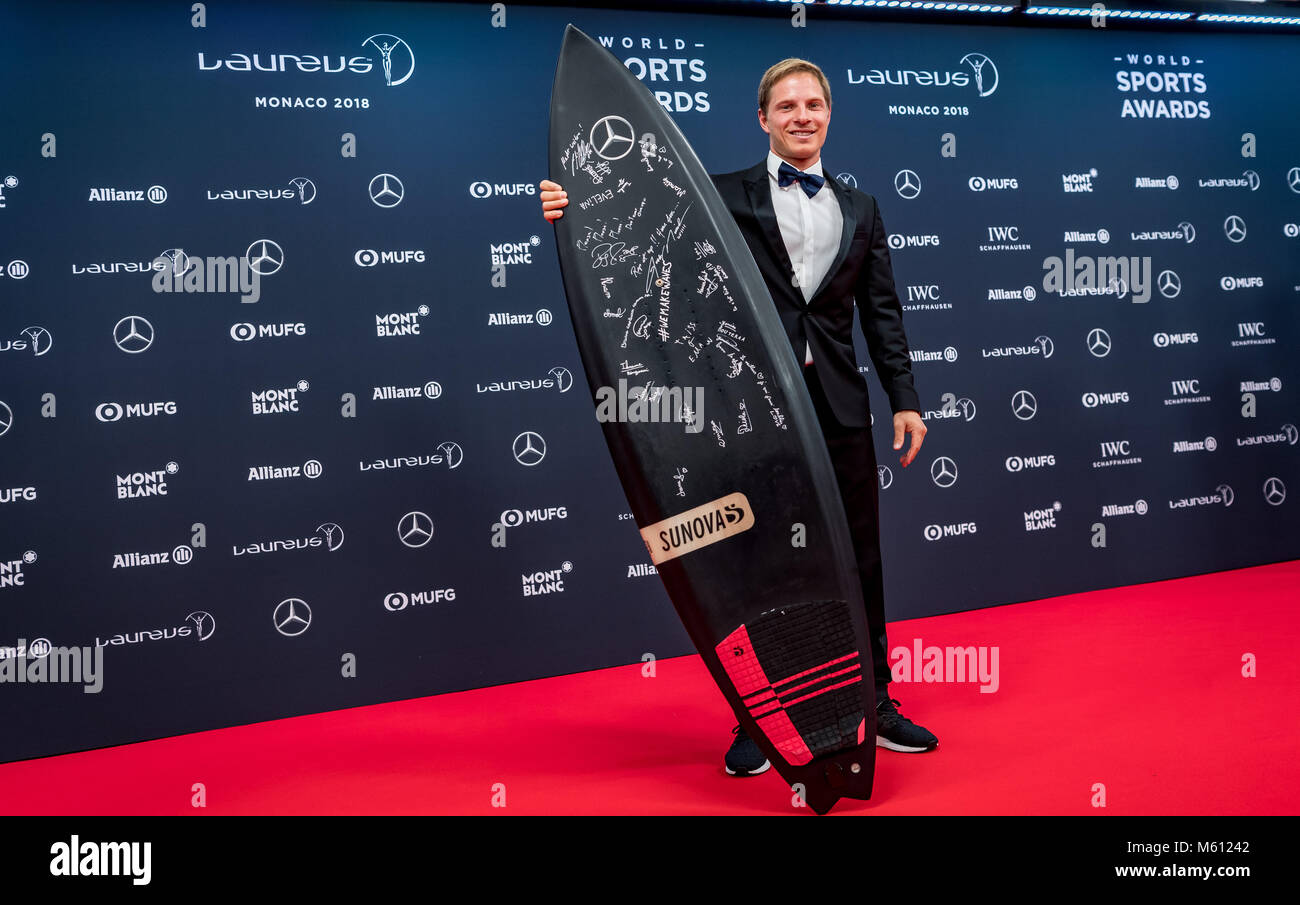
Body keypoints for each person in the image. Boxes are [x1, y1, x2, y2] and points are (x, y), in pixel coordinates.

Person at [541, 58, 937, 776]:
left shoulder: (864, 208)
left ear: (829, 114)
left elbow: (882, 315)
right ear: (763, 119)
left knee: (860, 556)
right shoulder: (720, 197)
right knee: (762, 563)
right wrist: (571, 203)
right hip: (752, 409)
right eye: (786, 106)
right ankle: (762, 718)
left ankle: (874, 703)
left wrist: (903, 400)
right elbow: (635, 224)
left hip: (842, 409)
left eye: (814, 104)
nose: (801, 115)